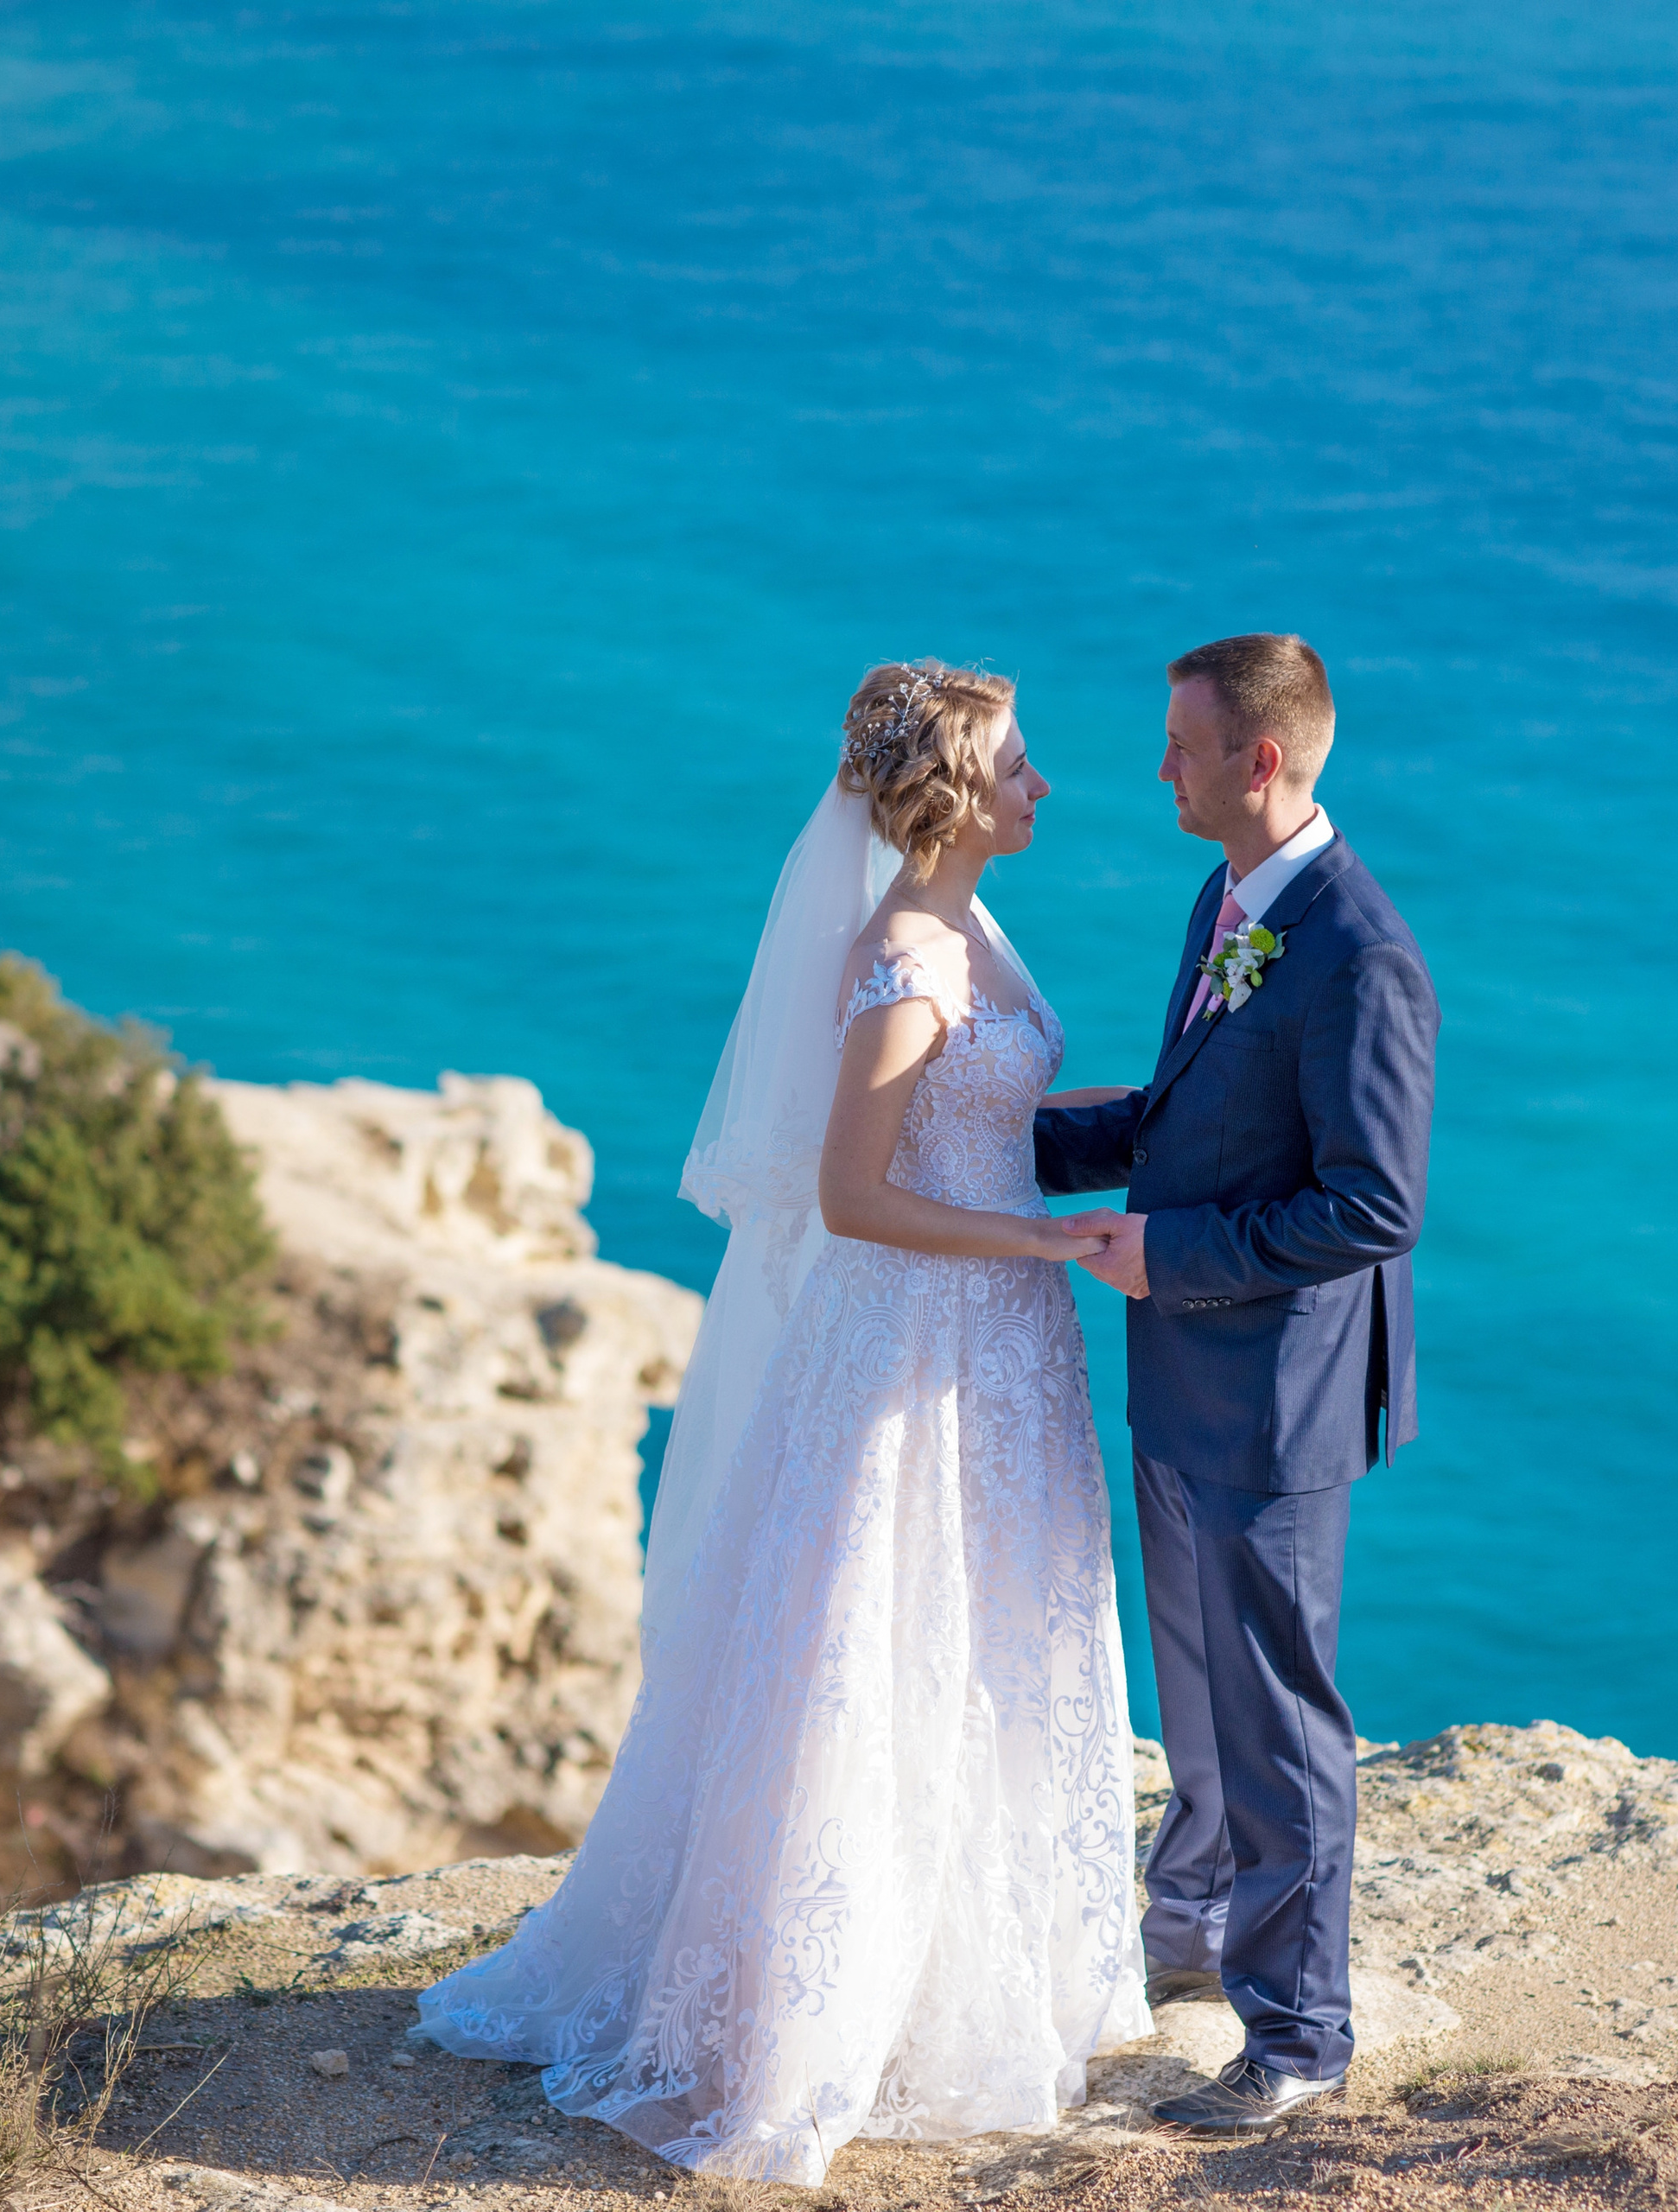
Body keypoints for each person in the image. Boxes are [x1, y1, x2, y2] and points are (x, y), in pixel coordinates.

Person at [413, 662, 1151, 2184]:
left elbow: (994, 1125)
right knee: (876, 1638)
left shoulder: (971, 928)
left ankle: (978, 1961)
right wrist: (1045, 1244)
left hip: (998, 1348)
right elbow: (852, 1194)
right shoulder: (905, 957)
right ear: (951, 794)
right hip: (918, 1334)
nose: (1045, 786)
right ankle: (813, 2011)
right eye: (1020, 764)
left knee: (991, 1630)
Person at [1039, 633, 1439, 2138]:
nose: (1161, 770)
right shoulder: (1230, 897)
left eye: (1181, 747)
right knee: (1199, 1695)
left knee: (1278, 1721)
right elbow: (1195, 1109)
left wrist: (1164, 1251)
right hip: (1183, 1366)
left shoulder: (1360, 955)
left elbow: (1371, 1207)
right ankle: (1192, 1923)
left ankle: (1300, 2039)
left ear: (1255, 762)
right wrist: (1009, 1146)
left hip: (1276, 1398)